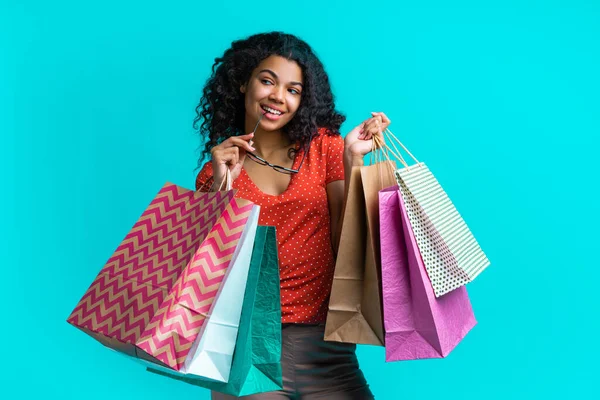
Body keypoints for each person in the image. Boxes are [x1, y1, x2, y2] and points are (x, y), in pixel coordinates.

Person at [194, 32, 390, 400]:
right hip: (248, 352)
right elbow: (211, 271)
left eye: (293, 90)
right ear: (242, 84)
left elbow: (344, 241)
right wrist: (223, 186)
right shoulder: (215, 171)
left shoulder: (325, 149)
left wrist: (353, 161)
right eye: (267, 81)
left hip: (327, 351)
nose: (277, 97)